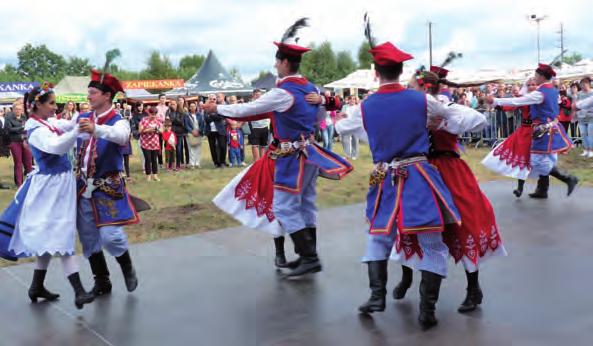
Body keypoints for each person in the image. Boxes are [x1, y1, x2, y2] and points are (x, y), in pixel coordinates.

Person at [332, 28, 482, 328]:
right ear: (401, 71)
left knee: (378, 237)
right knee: (431, 243)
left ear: (376, 73)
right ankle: (427, 311)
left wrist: (370, 132)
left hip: (385, 176)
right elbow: (454, 119)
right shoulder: (421, 100)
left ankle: (377, 296)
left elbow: (340, 130)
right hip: (419, 176)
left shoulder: (365, 106)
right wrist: (434, 119)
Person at [209, 18, 351, 277]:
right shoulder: (310, 88)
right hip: (309, 153)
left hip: (291, 157)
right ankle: (310, 256)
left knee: (285, 206)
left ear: (285, 63)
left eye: (277, 62)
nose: (275, 66)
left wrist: (217, 108)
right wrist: (326, 100)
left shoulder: (283, 92)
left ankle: (309, 257)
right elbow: (324, 113)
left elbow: (247, 109)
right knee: (306, 203)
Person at [391, 70, 506, 314]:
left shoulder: (447, 106)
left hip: (450, 171)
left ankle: (473, 289)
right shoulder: (410, 108)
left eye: (412, 86)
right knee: (411, 225)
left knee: (464, 226)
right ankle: (406, 278)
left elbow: (480, 120)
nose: (408, 89)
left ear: (423, 87)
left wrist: (443, 121)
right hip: (420, 170)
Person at [0, 84, 94, 309]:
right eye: (51, 103)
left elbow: (66, 123)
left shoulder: (47, 122)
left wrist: (86, 114)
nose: (55, 107)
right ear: (37, 106)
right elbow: (57, 147)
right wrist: (76, 131)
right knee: (61, 233)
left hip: (58, 185)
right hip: (49, 189)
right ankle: (79, 291)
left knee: (50, 236)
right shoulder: (36, 130)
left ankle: (36, 286)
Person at [75, 64, 140, 296]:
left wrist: (96, 129)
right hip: (82, 187)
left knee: (110, 236)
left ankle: (127, 266)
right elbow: (63, 133)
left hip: (108, 188)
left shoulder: (118, 120)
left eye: (92, 92)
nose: (88, 96)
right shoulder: (81, 117)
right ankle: (102, 281)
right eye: (89, 92)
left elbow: (121, 136)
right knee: (89, 237)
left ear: (106, 96)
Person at [486, 63, 578, 199]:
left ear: (541, 76)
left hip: (542, 130)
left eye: (535, 76)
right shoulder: (552, 90)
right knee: (548, 159)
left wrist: (495, 100)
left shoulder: (539, 94)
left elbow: (517, 102)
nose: (534, 79)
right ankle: (542, 190)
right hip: (551, 129)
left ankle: (568, 178)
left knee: (537, 161)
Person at [482, 78, 538, 197]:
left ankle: (544, 187)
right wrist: (497, 104)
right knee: (522, 157)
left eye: (534, 84)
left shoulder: (542, 97)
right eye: (530, 85)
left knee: (541, 159)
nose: (532, 86)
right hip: (525, 131)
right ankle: (520, 188)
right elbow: (511, 105)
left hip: (539, 131)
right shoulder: (523, 98)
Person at [5, 102, 33, 186]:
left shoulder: (25, 117)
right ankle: (19, 183)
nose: (18, 111)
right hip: (15, 142)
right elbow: (9, 129)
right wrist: (21, 127)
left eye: (20, 109)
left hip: (25, 141)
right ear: (13, 110)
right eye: (16, 109)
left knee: (28, 162)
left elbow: (29, 126)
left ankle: (31, 182)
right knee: (18, 163)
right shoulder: (8, 118)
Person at [204, 94, 228, 168]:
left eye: (214, 99)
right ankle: (216, 163)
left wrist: (211, 115)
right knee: (212, 147)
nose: (212, 100)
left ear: (216, 100)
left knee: (222, 146)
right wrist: (214, 116)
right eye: (210, 99)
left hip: (220, 129)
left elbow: (221, 117)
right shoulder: (206, 108)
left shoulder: (219, 107)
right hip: (210, 131)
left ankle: (222, 162)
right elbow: (206, 119)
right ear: (208, 99)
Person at [139, 107, 163, 181]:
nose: (153, 116)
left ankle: (155, 175)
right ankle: (148, 175)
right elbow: (140, 131)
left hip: (155, 143)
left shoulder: (158, 120)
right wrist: (150, 129)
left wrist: (157, 130)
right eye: (152, 114)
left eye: (155, 114)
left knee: (154, 160)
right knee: (148, 159)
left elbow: (161, 131)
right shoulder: (143, 120)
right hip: (145, 143)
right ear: (148, 113)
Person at [247, 90, 270, 161]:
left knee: (263, 145)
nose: (258, 96)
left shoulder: (265, 104)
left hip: (265, 126)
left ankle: (262, 161)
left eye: (259, 94)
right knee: (255, 145)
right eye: (256, 95)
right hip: (255, 127)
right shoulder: (250, 104)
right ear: (253, 96)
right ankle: (256, 161)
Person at [573, 77, 593, 158]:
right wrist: (574, 116)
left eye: (584, 84)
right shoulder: (579, 94)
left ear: (589, 84)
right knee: (583, 134)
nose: (583, 86)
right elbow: (574, 105)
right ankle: (586, 150)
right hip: (581, 117)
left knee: (590, 134)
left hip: (591, 116)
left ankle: (591, 150)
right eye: (581, 84)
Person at [187, 101, 204, 168]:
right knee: (191, 149)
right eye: (191, 106)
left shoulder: (199, 114)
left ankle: (197, 163)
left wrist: (199, 131)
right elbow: (186, 124)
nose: (192, 107)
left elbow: (202, 124)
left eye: (194, 106)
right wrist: (192, 131)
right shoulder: (187, 115)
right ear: (189, 107)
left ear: (196, 107)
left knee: (198, 148)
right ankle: (192, 163)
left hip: (199, 133)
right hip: (190, 133)